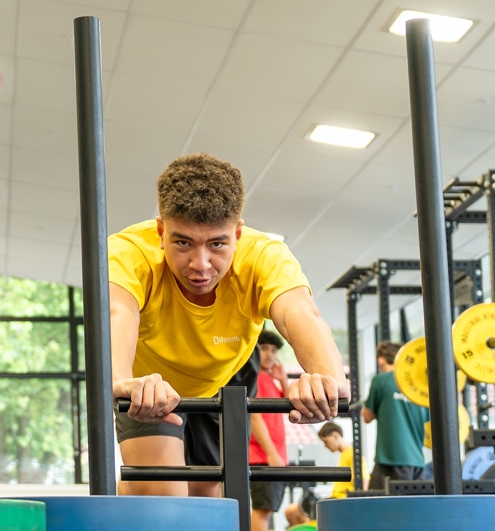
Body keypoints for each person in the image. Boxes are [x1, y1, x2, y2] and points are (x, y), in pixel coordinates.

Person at [110, 153, 348, 498]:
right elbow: (119, 313)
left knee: (213, 496)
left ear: (237, 233)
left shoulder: (264, 254)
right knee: (162, 494)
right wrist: (121, 382)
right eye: (182, 242)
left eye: (218, 244)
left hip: (227, 376)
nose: (200, 264)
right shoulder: (129, 252)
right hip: (149, 384)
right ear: (161, 230)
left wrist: (328, 380)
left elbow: (300, 313)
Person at [361, 340, 428, 489]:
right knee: (415, 509)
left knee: (378, 507)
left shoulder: (380, 380)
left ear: (381, 360)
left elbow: (367, 417)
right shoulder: (420, 384)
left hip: (391, 460)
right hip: (417, 461)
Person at [248, 330, 289, 531]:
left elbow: (291, 405)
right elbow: (255, 417)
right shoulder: (254, 378)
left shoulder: (269, 380)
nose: (270, 354)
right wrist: (271, 454)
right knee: (262, 510)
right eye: (264, 348)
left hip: (276, 456)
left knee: (267, 509)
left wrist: (282, 379)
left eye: (273, 350)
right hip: (262, 457)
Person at [282, 423, 353, 528]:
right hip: (333, 501)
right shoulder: (344, 455)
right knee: (290, 511)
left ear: (335, 436)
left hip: (340, 503)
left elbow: (363, 484)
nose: (325, 446)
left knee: (292, 512)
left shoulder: (352, 454)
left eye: (326, 441)